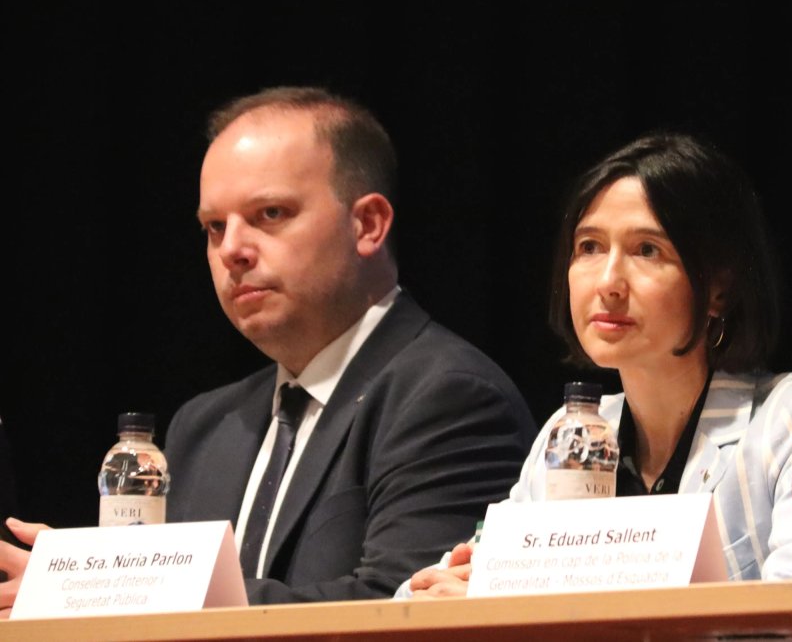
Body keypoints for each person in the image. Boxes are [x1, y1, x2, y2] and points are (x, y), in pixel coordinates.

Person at [0, 86, 536, 609]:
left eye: (270, 214)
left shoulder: (450, 397)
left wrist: (120, 589)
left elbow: (402, 607)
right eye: (214, 227)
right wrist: (99, 587)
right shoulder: (203, 426)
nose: (231, 249)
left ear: (368, 225)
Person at [404, 132, 792, 597]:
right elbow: (417, 595)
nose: (608, 282)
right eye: (589, 247)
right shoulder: (572, 435)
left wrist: (507, 609)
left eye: (647, 250)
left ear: (719, 287)